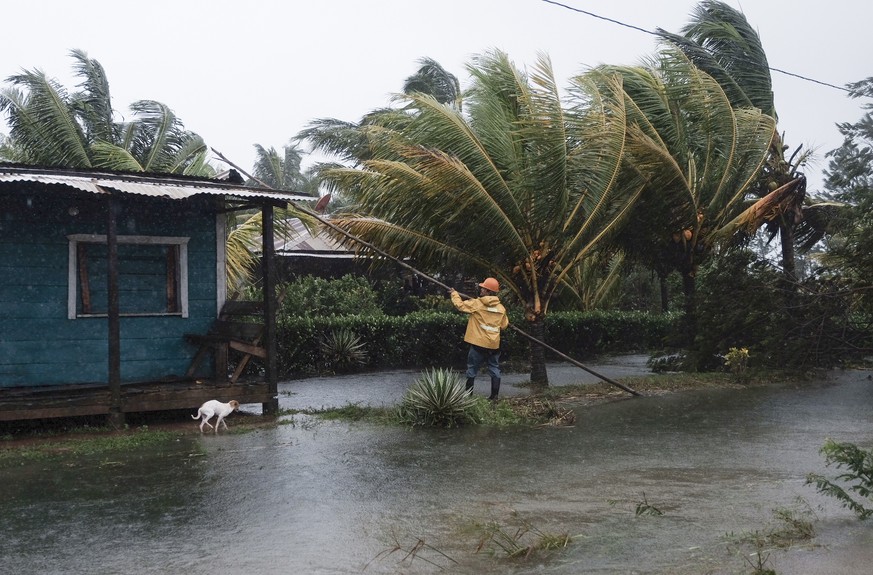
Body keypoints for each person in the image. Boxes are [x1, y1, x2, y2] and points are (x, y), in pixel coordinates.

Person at [449, 277, 509, 400]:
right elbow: (503, 326)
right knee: (494, 369)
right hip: (493, 345)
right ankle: (494, 396)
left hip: (478, 344)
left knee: (472, 370)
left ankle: (468, 397)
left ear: (488, 291)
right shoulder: (501, 309)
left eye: (483, 288)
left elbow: (460, 306)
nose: (481, 290)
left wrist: (454, 294)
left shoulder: (477, 303)